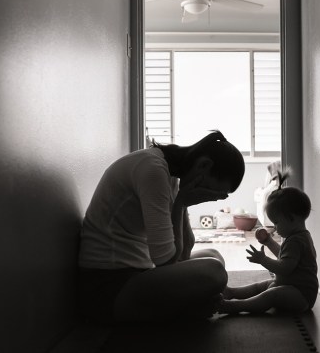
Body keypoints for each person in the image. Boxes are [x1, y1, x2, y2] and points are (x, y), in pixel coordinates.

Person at [78, 130, 245, 324]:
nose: (208, 194)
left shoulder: (171, 176)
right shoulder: (153, 171)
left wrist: (183, 204)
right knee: (213, 271)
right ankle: (186, 309)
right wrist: (181, 202)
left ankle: (188, 308)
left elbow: (182, 254)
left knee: (214, 255)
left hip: (139, 271)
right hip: (108, 289)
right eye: (211, 189)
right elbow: (167, 262)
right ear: (204, 165)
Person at [219, 170, 318, 314]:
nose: (275, 227)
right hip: (290, 287)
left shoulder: (297, 240)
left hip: (301, 296)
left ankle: (237, 306)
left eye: (276, 222)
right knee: (263, 285)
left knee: (272, 294)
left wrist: (263, 260)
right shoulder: (297, 236)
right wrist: (269, 241)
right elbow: (284, 257)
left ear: (292, 218)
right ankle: (232, 292)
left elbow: (284, 268)